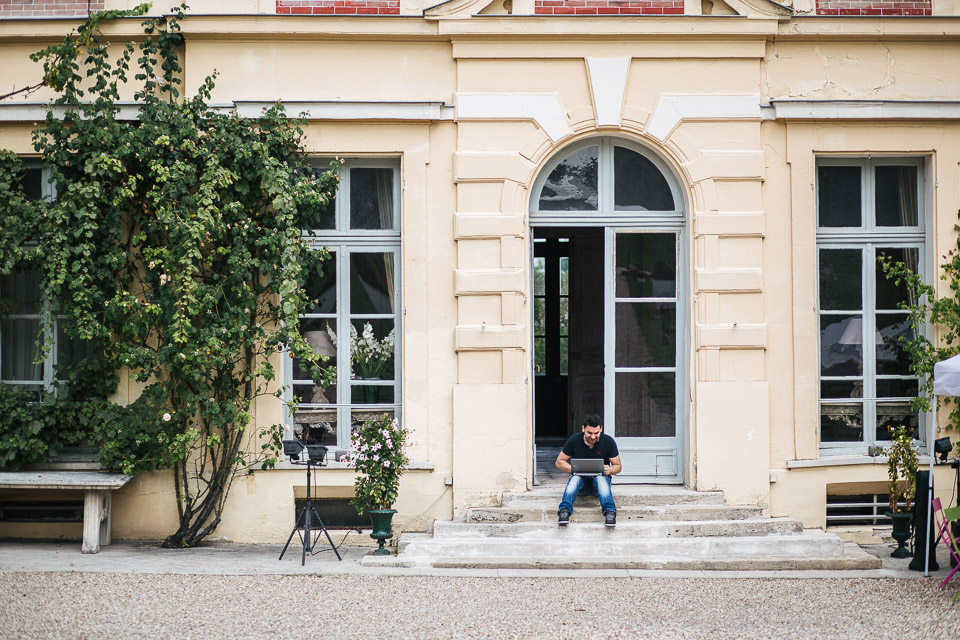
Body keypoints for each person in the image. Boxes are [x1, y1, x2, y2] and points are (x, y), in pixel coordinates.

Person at [555, 413, 621, 527]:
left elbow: (618, 466)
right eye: (589, 433)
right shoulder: (574, 440)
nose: (593, 437)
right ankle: (564, 511)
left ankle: (610, 512)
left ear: (601, 428)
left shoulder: (608, 441)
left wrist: (609, 470)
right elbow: (559, 462)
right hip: (581, 485)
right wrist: (574, 469)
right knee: (575, 478)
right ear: (583, 429)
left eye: (596, 433)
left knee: (600, 478)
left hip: (599, 485)